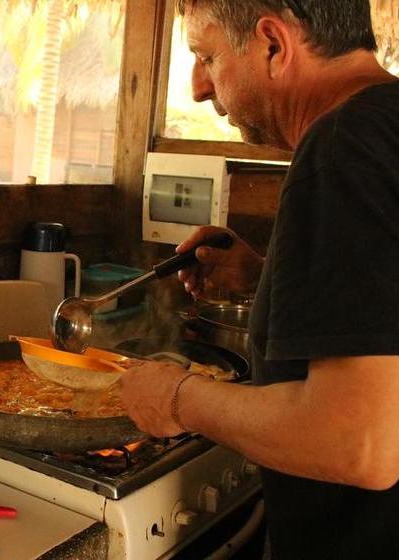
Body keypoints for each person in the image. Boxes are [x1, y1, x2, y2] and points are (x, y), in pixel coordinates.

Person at [118, 1, 399, 558]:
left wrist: (177, 398)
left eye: (206, 56)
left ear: (272, 43)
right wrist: (269, 278)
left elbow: (356, 443)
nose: (199, 87)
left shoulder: (344, 147)